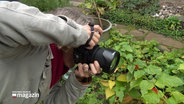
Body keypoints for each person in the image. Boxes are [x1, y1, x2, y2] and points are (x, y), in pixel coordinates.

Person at [0, 1, 103, 104]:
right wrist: (77, 33)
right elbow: (3, 13)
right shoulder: (28, 46)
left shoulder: (55, 65)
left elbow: (51, 101)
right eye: (84, 43)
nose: (87, 49)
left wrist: (78, 81)